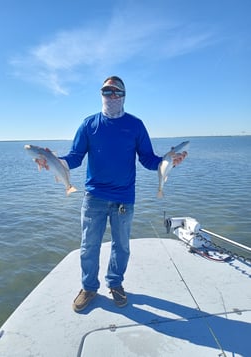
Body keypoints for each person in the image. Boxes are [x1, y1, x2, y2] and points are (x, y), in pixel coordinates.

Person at [58, 76, 187, 312]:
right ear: (101, 94)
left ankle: (115, 283)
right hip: (94, 197)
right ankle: (88, 287)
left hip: (124, 198)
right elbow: (74, 158)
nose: (112, 96)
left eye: (117, 92)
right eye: (107, 91)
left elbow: (149, 160)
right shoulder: (89, 124)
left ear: (124, 95)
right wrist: (56, 162)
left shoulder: (135, 125)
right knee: (89, 246)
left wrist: (170, 162)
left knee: (121, 246)